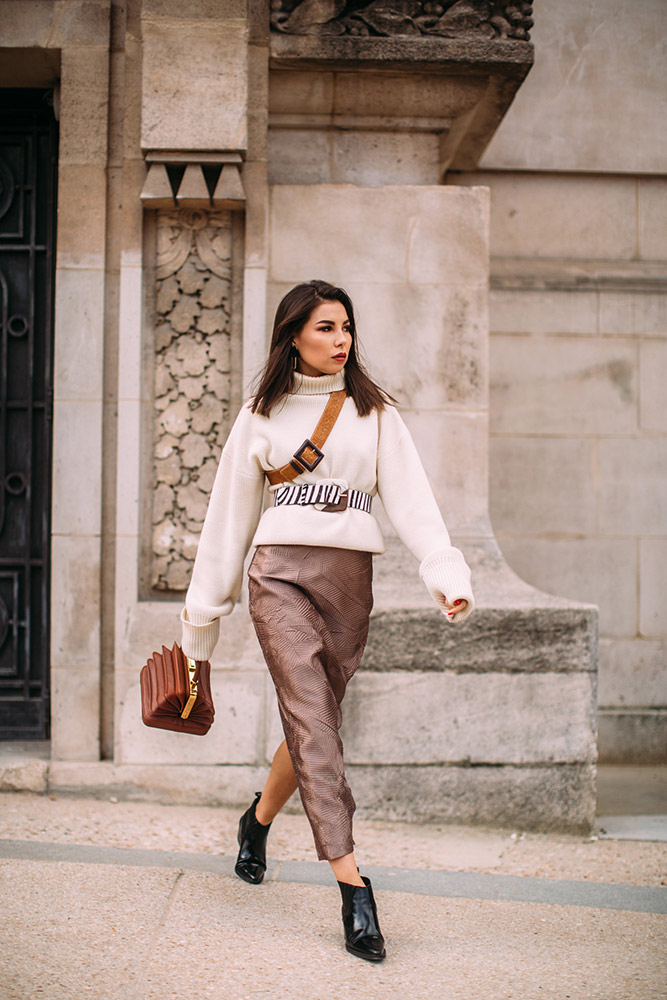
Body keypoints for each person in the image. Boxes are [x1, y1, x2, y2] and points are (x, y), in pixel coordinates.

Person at [180, 279, 475, 962]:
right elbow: (227, 521)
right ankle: (353, 889)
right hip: (277, 576)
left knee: (315, 723)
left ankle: (255, 825)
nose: (339, 340)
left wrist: (445, 574)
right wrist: (201, 623)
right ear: (293, 337)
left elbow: (414, 504)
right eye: (323, 328)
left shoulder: (374, 415)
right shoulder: (260, 416)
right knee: (312, 721)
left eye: (345, 327)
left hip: (348, 583)